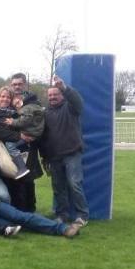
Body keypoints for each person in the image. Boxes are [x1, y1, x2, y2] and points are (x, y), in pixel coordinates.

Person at [40, 76, 89, 226]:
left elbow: (78, 102)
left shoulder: (70, 108)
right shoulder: (45, 113)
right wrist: (45, 157)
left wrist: (65, 88)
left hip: (72, 153)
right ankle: (62, 215)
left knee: (74, 184)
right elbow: (43, 136)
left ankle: (83, 215)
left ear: (62, 95)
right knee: (58, 187)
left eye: (55, 94)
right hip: (54, 156)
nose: (52, 97)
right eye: (50, 95)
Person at [0, 86, 43, 179]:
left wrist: (30, 136)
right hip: (0, 154)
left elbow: (33, 123)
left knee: (23, 184)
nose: (5, 99)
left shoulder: (17, 113)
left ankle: (22, 168)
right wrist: (19, 135)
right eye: (3, 96)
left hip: (22, 153)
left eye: (8, 97)